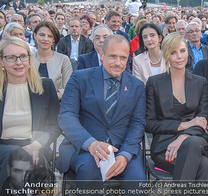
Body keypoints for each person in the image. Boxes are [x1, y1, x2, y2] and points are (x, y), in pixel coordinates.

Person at [57, 34, 146, 195]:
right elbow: (66, 116)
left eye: (123, 58)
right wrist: (91, 144)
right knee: (89, 170)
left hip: (122, 149)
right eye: (113, 56)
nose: (118, 63)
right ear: (101, 54)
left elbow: (138, 123)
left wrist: (125, 155)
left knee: (137, 180)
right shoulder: (80, 78)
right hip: (83, 149)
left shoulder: (137, 86)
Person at [146, 32, 208, 183]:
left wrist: (183, 137)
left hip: (195, 140)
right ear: (166, 55)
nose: (179, 57)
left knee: (192, 143)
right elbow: (149, 123)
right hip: (165, 148)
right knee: (205, 166)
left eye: (182, 51)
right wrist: (183, 125)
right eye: (173, 52)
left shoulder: (200, 82)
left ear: (187, 51)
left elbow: (202, 121)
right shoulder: (154, 83)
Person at [0, 37, 60, 183]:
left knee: (22, 160)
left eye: (23, 56)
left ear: (29, 59)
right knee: (13, 157)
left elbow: (57, 124)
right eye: (11, 58)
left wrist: (37, 144)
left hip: (35, 146)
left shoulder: (45, 86)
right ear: (1, 61)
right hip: (2, 147)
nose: (18, 62)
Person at [33, 21, 72, 101]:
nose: (45, 39)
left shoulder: (63, 59)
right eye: (42, 35)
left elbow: (67, 87)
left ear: (54, 39)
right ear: (35, 36)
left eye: (50, 36)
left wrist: (50, 99)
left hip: (55, 103)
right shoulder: (27, 59)